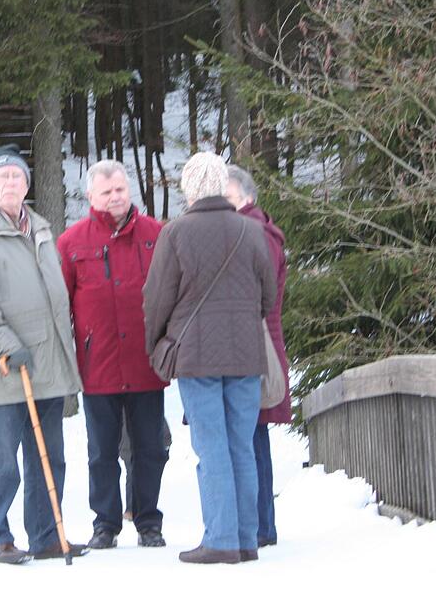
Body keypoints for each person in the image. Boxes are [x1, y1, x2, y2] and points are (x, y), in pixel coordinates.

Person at [0, 144, 86, 565]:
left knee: (49, 457)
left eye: (17, 176)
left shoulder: (39, 228)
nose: (10, 183)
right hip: (5, 367)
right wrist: (6, 345)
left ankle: (46, 536)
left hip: (47, 363)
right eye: (1, 176)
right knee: (1, 460)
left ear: (27, 184)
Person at [143, 152, 277, 564]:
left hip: (197, 357)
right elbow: (268, 296)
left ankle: (220, 539)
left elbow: (157, 298)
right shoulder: (251, 230)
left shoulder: (175, 233)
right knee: (241, 446)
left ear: (188, 189)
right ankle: (245, 538)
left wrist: (156, 343)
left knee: (212, 447)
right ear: (221, 185)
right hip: (245, 355)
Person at [57, 160, 170, 549]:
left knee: (150, 448)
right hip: (98, 365)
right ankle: (105, 523)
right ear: (91, 196)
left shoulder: (157, 235)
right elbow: (60, 306)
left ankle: (148, 521)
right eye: (106, 192)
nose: (115, 197)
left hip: (146, 362)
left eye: (120, 189)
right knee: (102, 452)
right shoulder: (71, 243)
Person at [225, 165, 292, 549]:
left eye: (228, 198)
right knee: (251, 435)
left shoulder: (257, 234)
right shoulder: (250, 229)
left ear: (248, 199)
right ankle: (258, 523)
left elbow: (256, 293)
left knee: (251, 437)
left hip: (256, 346)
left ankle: (261, 525)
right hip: (250, 345)